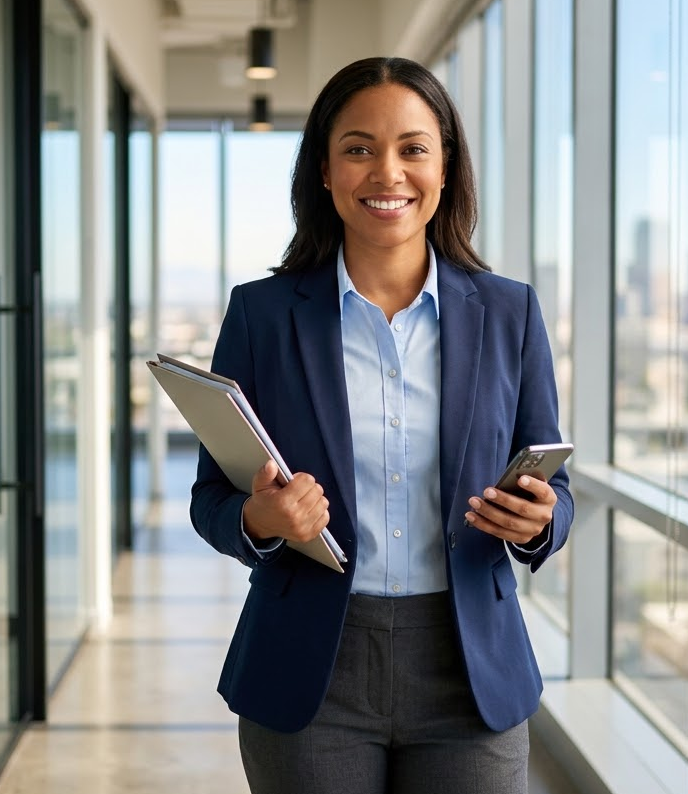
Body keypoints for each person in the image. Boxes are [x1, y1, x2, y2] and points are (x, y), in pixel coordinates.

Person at [190, 56, 574, 794]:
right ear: (326, 172)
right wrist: (261, 518)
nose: (386, 172)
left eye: (412, 148)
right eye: (359, 148)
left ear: (444, 167)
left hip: (470, 669)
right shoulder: (262, 316)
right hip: (308, 668)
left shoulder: (509, 313)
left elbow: (553, 484)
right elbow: (211, 496)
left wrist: (538, 518)